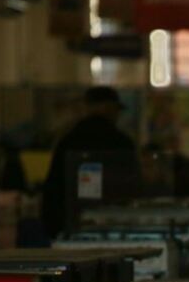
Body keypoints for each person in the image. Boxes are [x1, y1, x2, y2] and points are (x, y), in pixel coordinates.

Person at [41, 86, 139, 239]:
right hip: (112, 224)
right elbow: (129, 187)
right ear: (109, 108)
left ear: (87, 107)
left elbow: (54, 187)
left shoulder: (68, 140)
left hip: (71, 224)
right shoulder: (121, 142)